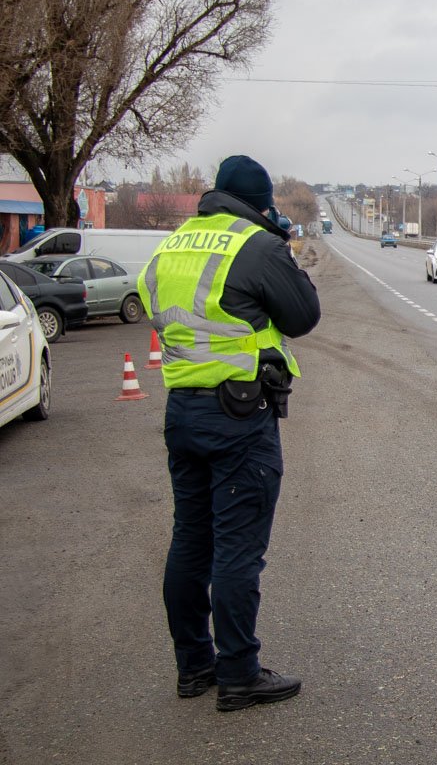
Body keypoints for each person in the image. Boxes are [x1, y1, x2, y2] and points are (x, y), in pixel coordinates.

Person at [137, 155, 321, 709]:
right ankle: (239, 672)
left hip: (183, 410)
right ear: (261, 204)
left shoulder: (172, 244)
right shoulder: (256, 245)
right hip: (239, 415)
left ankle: (194, 667)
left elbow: (151, 304)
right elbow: (303, 314)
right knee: (237, 551)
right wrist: (282, 248)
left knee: (190, 540)